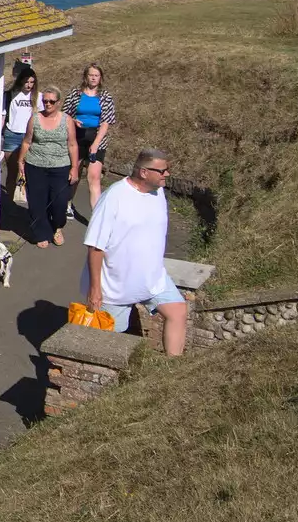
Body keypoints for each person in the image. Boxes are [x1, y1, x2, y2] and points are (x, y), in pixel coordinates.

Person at [81, 148, 186, 355]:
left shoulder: (158, 192)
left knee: (178, 312)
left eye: (168, 170)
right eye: (162, 171)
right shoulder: (114, 198)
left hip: (153, 280)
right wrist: (95, 289)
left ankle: (173, 372)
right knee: (110, 343)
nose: (167, 175)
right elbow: (95, 246)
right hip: (115, 287)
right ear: (144, 172)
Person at [14, 87, 79, 247]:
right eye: (45, 101)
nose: (47, 104)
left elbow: (72, 144)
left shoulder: (67, 120)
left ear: (58, 102)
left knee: (59, 202)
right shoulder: (35, 119)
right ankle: (41, 233)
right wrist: (20, 162)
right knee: (37, 202)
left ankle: (57, 227)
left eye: (51, 101)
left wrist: (74, 167)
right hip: (35, 165)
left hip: (60, 166)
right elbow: (27, 141)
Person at [63, 64, 117, 218]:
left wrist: (95, 144)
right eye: (91, 75)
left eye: (96, 75)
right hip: (77, 137)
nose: (93, 78)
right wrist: (73, 121)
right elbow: (65, 115)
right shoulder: (75, 93)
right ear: (85, 76)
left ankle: (97, 216)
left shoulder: (105, 96)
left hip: (97, 138)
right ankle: (67, 204)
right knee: (74, 174)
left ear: (100, 78)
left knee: (94, 177)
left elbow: (106, 122)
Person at [1, 67, 37, 175]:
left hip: (30, 136)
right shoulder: (10, 95)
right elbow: (2, 117)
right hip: (12, 135)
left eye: (32, 82)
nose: (29, 85)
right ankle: (11, 192)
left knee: (27, 172)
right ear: (21, 80)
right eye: (26, 81)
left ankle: (24, 192)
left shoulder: (38, 97)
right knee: (12, 172)